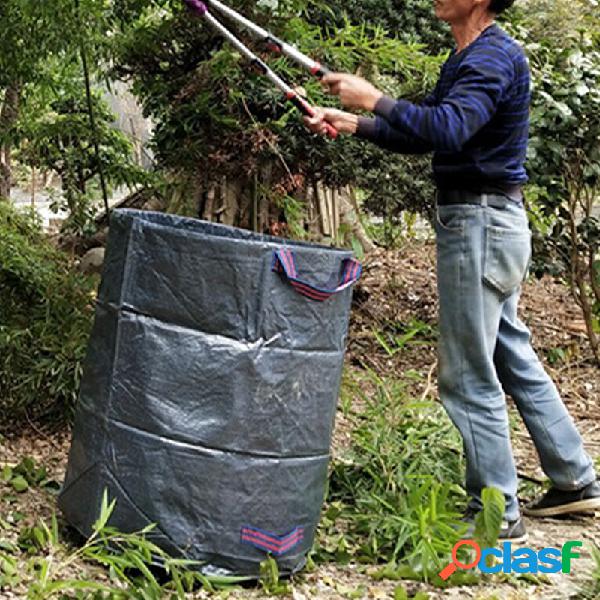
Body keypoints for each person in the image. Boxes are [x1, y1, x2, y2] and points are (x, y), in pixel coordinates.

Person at [304, 0, 600, 541]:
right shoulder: (468, 57)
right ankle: (575, 481)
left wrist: (375, 96)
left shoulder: (491, 58)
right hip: (489, 222)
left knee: (466, 374)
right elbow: (426, 133)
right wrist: (357, 121)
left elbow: (451, 127)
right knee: (510, 354)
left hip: (481, 225)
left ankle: (495, 512)